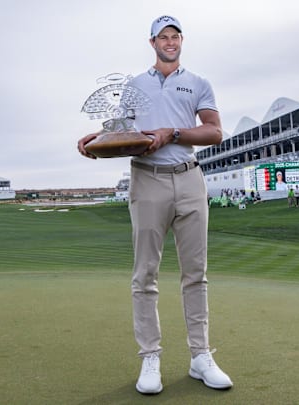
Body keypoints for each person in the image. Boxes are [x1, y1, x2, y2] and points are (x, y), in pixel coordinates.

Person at [78, 15, 232, 394]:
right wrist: (97, 137)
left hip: (190, 177)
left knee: (195, 273)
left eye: (175, 36)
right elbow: (122, 128)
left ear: (181, 41)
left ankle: (200, 356)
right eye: (163, 37)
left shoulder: (198, 83)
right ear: (152, 43)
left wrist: (174, 133)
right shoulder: (135, 85)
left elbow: (214, 131)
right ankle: (150, 358)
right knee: (145, 274)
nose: (170, 42)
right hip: (147, 180)